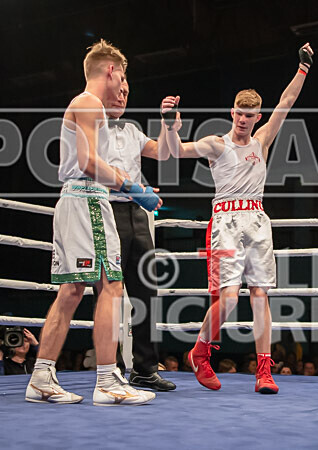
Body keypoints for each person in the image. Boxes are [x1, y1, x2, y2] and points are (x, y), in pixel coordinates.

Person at [159, 43, 315, 395]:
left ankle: (264, 371)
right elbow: (174, 152)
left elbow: (286, 102)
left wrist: (303, 67)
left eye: (251, 115)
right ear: (232, 112)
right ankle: (200, 352)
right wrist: (170, 126)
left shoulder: (262, 141)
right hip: (226, 221)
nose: (244, 120)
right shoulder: (217, 144)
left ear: (257, 116)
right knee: (228, 298)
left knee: (260, 296)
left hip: (258, 220)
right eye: (239, 114)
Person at [26, 39, 159, 407]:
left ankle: (40, 378)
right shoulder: (88, 103)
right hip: (87, 197)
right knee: (111, 286)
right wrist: (131, 185)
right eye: (123, 79)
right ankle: (107, 380)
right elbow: (86, 162)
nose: (123, 89)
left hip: (78, 199)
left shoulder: (87, 107)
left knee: (71, 292)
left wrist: (127, 184)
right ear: (111, 70)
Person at [99, 77, 175, 391]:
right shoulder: (92, 125)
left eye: (127, 93)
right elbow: (90, 166)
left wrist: (168, 125)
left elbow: (163, 153)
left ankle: (144, 368)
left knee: (147, 291)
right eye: (118, 90)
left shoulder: (131, 130)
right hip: (106, 210)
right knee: (108, 294)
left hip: (137, 213)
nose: (122, 96)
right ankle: (111, 369)